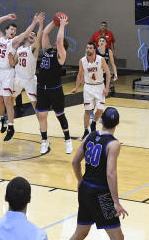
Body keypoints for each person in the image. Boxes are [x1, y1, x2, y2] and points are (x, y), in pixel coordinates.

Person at [53, 108, 148, 240]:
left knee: (81, 231)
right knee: (117, 237)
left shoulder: (90, 136)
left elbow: (74, 162)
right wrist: (116, 202)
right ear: (117, 124)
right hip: (101, 193)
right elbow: (110, 173)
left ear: (101, 120)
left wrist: (80, 180)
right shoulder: (114, 144)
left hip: (86, 188)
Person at [0, 13, 44, 142]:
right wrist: (7, 17)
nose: (13, 31)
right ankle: (3, 119)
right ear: (6, 30)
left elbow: (26, 33)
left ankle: (11, 126)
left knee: (8, 100)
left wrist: (35, 23)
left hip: (11, 74)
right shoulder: (4, 40)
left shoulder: (15, 43)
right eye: (11, 29)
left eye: (15, 30)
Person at [36, 15, 74, 155]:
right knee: (42, 116)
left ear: (62, 47)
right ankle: (44, 141)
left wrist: (62, 24)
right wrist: (54, 21)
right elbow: (45, 34)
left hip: (55, 90)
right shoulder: (47, 51)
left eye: (58, 44)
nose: (54, 44)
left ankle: (68, 140)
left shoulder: (61, 56)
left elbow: (59, 40)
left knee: (60, 115)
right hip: (42, 89)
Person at [70, 42, 111, 139]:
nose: (88, 49)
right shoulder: (82, 61)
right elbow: (80, 75)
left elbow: (108, 73)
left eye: (90, 48)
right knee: (87, 111)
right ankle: (85, 130)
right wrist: (76, 87)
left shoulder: (101, 60)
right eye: (87, 47)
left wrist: (107, 87)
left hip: (99, 86)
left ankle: (93, 123)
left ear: (94, 50)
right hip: (88, 87)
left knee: (100, 110)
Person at [12, 18, 42, 113]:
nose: (32, 35)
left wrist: (40, 25)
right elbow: (13, 63)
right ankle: (8, 121)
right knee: (10, 99)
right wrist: (9, 58)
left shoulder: (33, 48)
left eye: (34, 35)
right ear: (27, 35)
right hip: (18, 78)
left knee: (35, 104)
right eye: (31, 33)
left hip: (29, 79)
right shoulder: (19, 48)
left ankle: (42, 126)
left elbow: (39, 38)